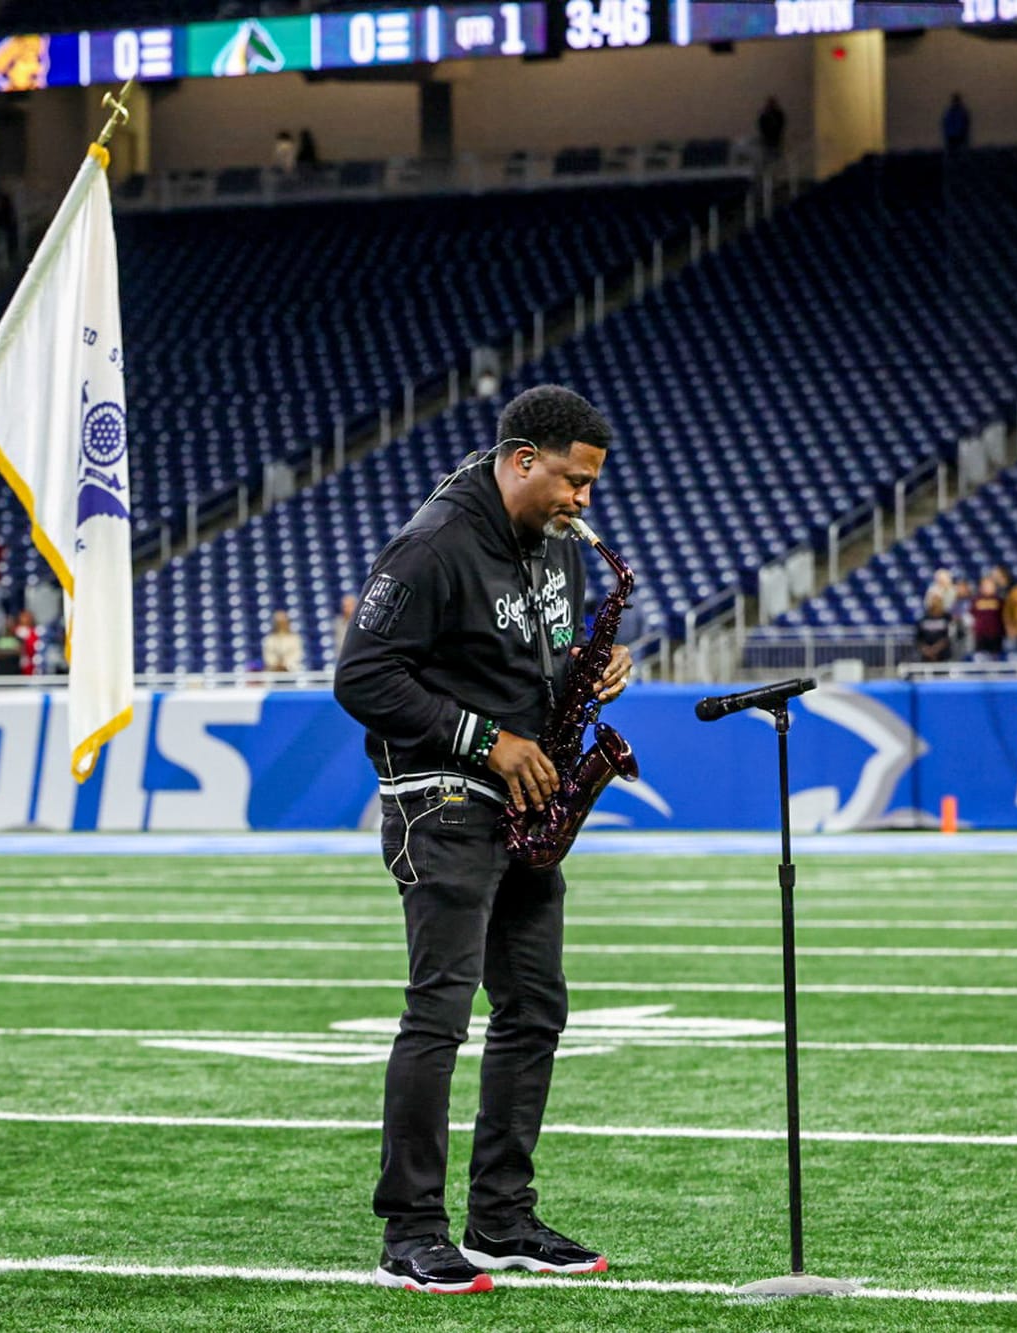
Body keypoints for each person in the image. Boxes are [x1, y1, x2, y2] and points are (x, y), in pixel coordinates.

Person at [334, 384, 628, 1294]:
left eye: (590, 485)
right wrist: (485, 739)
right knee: (440, 1014)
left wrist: (591, 668)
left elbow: (529, 658)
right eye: (574, 481)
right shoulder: (433, 546)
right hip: (444, 802)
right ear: (521, 458)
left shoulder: (558, 548)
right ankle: (409, 1232)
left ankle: (501, 1216)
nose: (584, 500)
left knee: (536, 1007)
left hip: (522, 805)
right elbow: (361, 674)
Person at [970, 572, 1005, 657]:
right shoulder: (976, 600)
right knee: (981, 657)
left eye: (989, 585)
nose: (987, 588)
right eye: (985, 585)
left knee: (996, 658)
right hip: (980, 634)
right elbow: (972, 615)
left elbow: (1004, 616)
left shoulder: (999, 600)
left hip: (996, 634)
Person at [262, 609, 306, 673]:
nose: (281, 625)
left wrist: (285, 664)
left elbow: (297, 654)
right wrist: (276, 664)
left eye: (283, 622)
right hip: (273, 670)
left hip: (291, 669)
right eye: (279, 623)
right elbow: (268, 655)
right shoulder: (269, 639)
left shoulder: (295, 638)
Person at [916, 593, 953, 663]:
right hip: (926, 656)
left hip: (943, 656)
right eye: (933, 601)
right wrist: (926, 650)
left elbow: (948, 636)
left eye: (938, 601)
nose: (935, 603)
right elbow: (918, 638)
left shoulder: (947, 617)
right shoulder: (924, 618)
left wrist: (935, 649)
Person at [756, 96, 786, 168]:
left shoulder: (778, 114)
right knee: (767, 155)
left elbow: (780, 125)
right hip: (767, 139)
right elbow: (761, 125)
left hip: (774, 139)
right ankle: (768, 167)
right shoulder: (765, 114)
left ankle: (773, 167)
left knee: (774, 156)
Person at [332, 593, 359, 662]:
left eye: (349, 606)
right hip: (343, 659)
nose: (346, 609)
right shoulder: (338, 623)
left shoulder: (360, 622)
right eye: (344, 606)